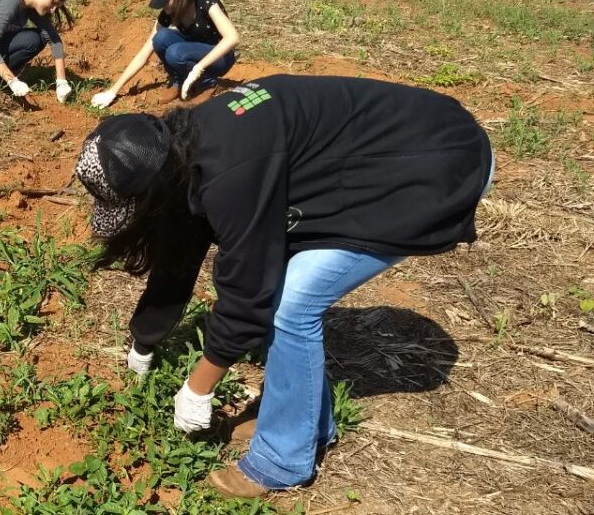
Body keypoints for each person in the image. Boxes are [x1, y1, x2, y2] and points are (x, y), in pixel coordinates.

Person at [75, 75, 493, 497]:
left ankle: (282, 460)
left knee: (289, 306)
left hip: (437, 164)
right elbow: (178, 254)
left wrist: (198, 387)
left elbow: (248, 293)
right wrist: (144, 339)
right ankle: (300, 420)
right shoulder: (187, 144)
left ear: (156, 183)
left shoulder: (229, 174)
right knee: (283, 290)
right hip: (406, 144)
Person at [91, 0, 239, 109]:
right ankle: (179, 80)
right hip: (189, 51)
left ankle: (209, 84)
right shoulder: (170, 12)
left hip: (220, 56)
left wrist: (199, 68)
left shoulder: (203, 0)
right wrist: (113, 90)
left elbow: (232, 38)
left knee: (175, 53)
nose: (163, 5)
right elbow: (144, 54)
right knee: (160, 38)